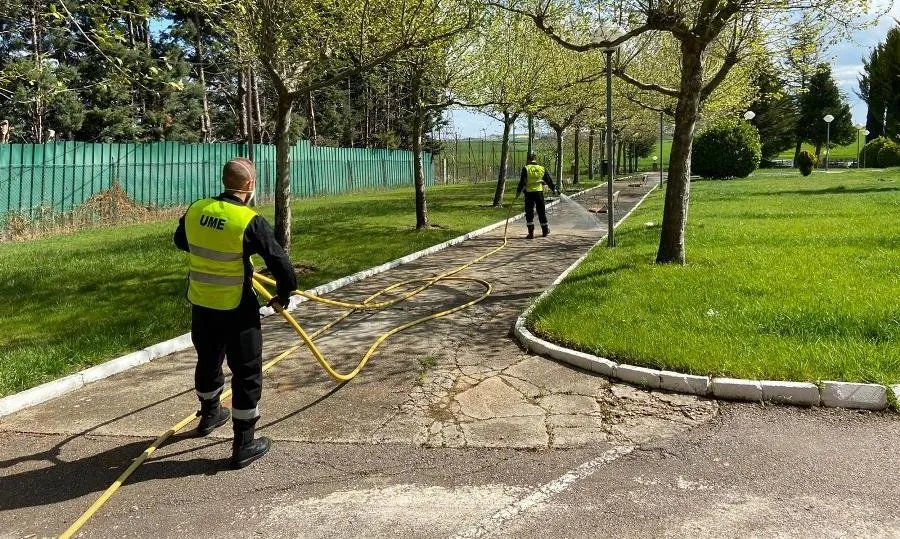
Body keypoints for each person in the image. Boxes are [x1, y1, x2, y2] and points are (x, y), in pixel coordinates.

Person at [174, 158, 297, 469]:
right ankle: (244, 443)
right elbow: (281, 263)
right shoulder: (248, 220)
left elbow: (181, 241)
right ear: (249, 185)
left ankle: (209, 414)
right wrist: (284, 295)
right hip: (237, 308)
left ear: (224, 181)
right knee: (246, 372)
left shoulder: (197, 209)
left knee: (207, 359)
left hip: (202, 304)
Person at [516, 152, 560, 238]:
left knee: (529, 213)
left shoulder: (526, 169)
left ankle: (531, 233)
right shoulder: (541, 168)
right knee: (541, 212)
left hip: (529, 193)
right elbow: (549, 180)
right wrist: (553, 189)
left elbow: (522, 182)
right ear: (535, 159)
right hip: (539, 193)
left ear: (528, 160)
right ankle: (545, 231)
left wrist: (518, 193)